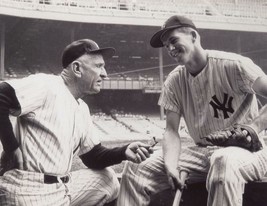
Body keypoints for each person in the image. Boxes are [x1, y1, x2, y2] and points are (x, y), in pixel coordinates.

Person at [116, 15, 267, 206]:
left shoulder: (234, 65)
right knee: (137, 166)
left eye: (173, 40)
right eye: (166, 45)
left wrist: (252, 127)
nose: (170, 49)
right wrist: (171, 166)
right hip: (201, 153)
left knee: (223, 160)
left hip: (247, 152)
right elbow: (171, 130)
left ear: (193, 36)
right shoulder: (174, 80)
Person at [0, 38, 153, 206]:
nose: (105, 73)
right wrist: (12, 147)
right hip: (29, 190)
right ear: (77, 68)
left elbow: (93, 157)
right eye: (98, 66)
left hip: (61, 189)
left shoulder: (82, 108)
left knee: (107, 179)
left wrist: (124, 152)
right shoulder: (47, 85)